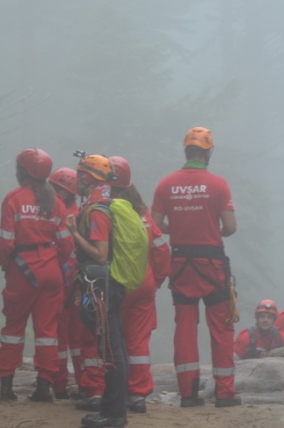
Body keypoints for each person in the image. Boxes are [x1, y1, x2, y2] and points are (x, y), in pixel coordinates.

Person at [151, 127, 241, 408]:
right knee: (221, 329)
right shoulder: (218, 184)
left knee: (185, 330)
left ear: (186, 151)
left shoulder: (166, 185)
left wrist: (175, 227)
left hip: (180, 265)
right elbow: (230, 227)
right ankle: (225, 393)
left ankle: (188, 393)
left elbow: (153, 226)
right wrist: (211, 230)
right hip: (212, 265)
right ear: (207, 152)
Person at [0, 149, 74, 403]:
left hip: (22, 271)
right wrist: (54, 263)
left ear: (25, 172)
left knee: (13, 329)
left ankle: (7, 386)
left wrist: (7, 266)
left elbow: (6, 242)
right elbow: (66, 245)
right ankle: (43, 387)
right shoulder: (56, 202)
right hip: (51, 273)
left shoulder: (14, 199)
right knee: (48, 332)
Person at [67, 154, 128, 428]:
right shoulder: (100, 207)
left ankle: (114, 414)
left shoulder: (97, 211)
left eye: (80, 175)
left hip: (102, 288)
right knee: (113, 348)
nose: (77, 180)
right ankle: (113, 410)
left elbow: (101, 255)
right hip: (105, 287)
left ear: (87, 178)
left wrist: (75, 233)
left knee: (111, 350)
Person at [109, 156, 171, 414]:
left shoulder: (106, 208)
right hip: (143, 283)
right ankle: (138, 395)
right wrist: (153, 282)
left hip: (117, 282)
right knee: (138, 342)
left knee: (112, 338)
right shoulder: (141, 211)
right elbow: (162, 250)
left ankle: (110, 392)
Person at [47, 167, 83, 399]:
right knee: (60, 335)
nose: (56, 193)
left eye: (60, 190)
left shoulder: (77, 214)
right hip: (61, 279)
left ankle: (82, 384)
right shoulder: (58, 211)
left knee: (76, 336)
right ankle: (61, 384)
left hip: (72, 281)